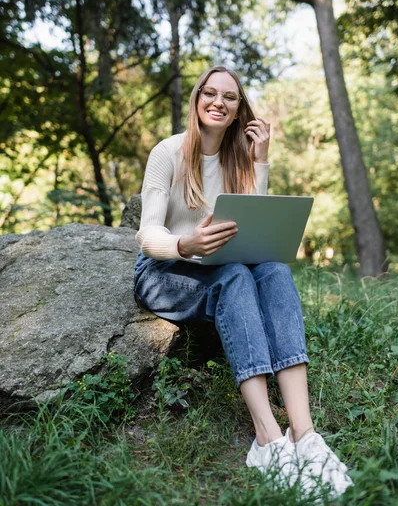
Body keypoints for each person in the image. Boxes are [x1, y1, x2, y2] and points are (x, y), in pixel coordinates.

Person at [133, 65, 353, 498]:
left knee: (274, 269)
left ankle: (304, 434)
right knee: (235, 276)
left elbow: (256, 231)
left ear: (238, 110)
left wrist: (261, 159)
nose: (218, 102)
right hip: (163, 272)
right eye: (209, 94)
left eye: (229, 97)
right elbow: (146, 235)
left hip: (219, 267)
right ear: (197, 100)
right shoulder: (168, 152)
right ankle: (267, 435)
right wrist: (186, 244)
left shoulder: (238, 157)